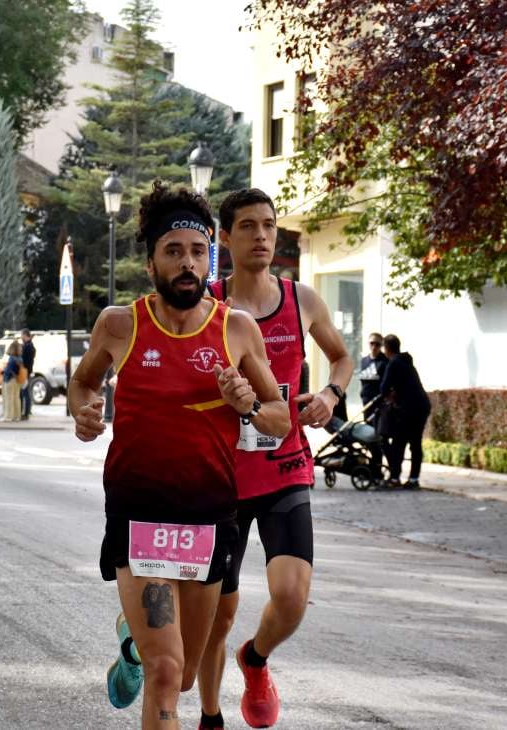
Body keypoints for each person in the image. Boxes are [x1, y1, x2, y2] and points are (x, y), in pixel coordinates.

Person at [69, 181, 289, 729]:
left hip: (209, 517)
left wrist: (248, 406)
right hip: (139, 513)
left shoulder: (235, 329)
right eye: (173, 252)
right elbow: (83, 384)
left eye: (197, 252)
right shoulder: (121, 324)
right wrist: (85, 412)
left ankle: (132, 642)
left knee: (186, 672)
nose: (187, 263)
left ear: (208, 256)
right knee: (166, 674)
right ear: (152, 263)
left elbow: (278, 419)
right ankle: (145, 648)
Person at [199, 187, 355, 730]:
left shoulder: (301, 299)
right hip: (221, 478)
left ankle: (256, 659)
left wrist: (330, 396)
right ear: (225, 236)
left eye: (268, 225)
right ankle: (210, 715)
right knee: (217, 617)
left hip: (286, 465)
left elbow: (340, 358)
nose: (262, 235)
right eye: (248, 226)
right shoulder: (207, 304)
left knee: (291, 598)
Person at [377, 335, 431, 489]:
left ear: (386, 349)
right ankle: (414, 479)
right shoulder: (406, 361)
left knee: (398, 442)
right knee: (415, 443)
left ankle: (395, 477)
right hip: (421, 405)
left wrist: (389, 395)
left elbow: (383, 388)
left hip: (408, 409)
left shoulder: (393, 363)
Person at [357, 333, 389, 475]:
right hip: (366, 405)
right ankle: (371, 467)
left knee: (377, 438)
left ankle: (377, 469)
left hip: (379, 407)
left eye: (377, 344)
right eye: (372, 343)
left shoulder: (384, 362)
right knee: (367, 438)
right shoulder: (364, 361)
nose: (374, 347)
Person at [1, 341, 23, 422]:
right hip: (17, 380)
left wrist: (3, 371)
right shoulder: (20, 358)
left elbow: (9, 370)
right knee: (16, 398)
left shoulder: (11, 358)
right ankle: (16, 416)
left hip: (9, 379)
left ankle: (8, 416)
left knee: (8, 398)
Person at [20, 329, 36, 420]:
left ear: (25, 335)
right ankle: (26, 411)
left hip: (25, 371)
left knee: (24, 392)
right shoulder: (31, 346)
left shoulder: (27, 346)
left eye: (22, 335)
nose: (21, 337)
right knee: (26, 392)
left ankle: (25, 413)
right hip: (28, 371)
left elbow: (25, 360)